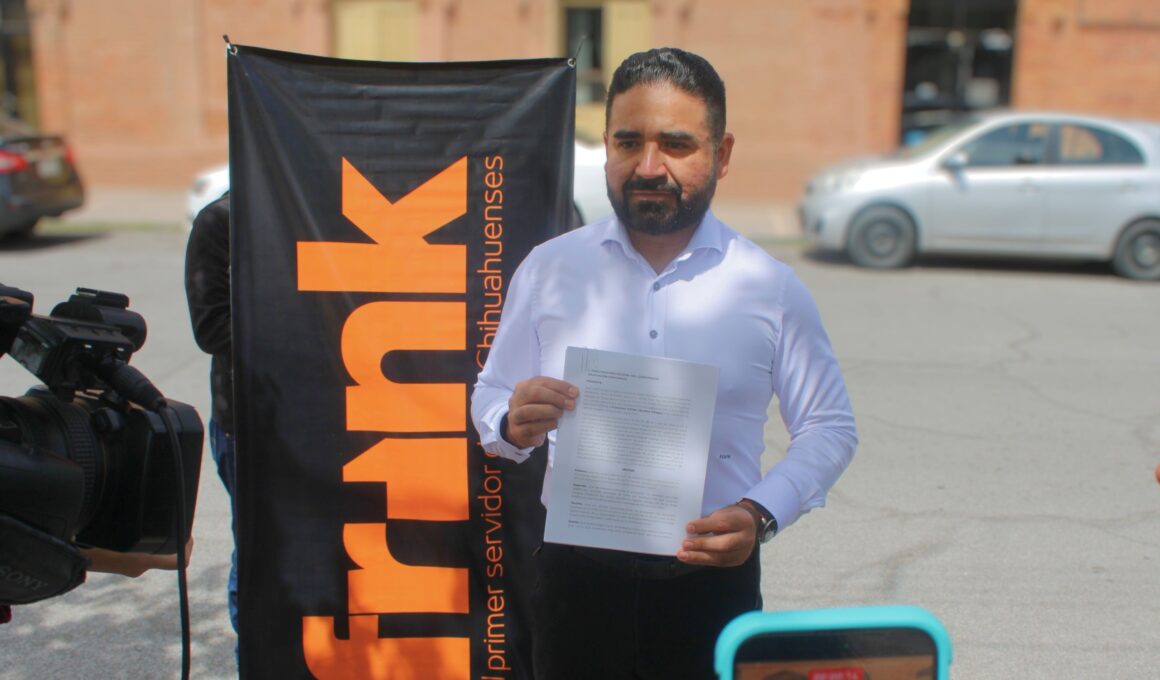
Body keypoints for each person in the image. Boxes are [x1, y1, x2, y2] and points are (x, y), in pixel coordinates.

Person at [471, 48, 858, 679]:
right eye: (629, 142)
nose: (649, 167)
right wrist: (511, 421)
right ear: (606, 147)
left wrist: (760, 515)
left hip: (710, 589)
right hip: (576, 585)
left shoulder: (769, 287)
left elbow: (829, 426)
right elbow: (491, 392)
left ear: (721, 154)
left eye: (676, 145)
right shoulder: (550, 269)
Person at [183, 192, 239, 637]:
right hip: (248, 421)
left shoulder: (317, 206)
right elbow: (212, 329)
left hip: (326, 416)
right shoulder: (220, 220)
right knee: (260, 549)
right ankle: (255, 661)